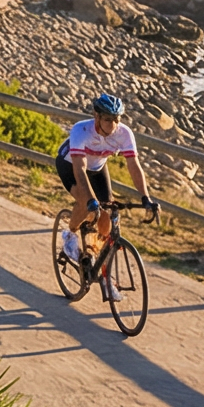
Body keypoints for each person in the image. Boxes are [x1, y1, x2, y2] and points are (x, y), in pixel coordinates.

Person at [54, 93, 158, 301]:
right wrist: (91, 200)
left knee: (107, 219)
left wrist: (146, 197)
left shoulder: (124, 134)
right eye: (108, 119)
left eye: (116, 119)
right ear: (96, 116)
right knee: (86, 203)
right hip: (71, 165)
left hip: (98, 168)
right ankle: (70, 234)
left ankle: (103, 274)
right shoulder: (81, 131)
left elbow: (133, 166)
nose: (113, 124)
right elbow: (80, 169)